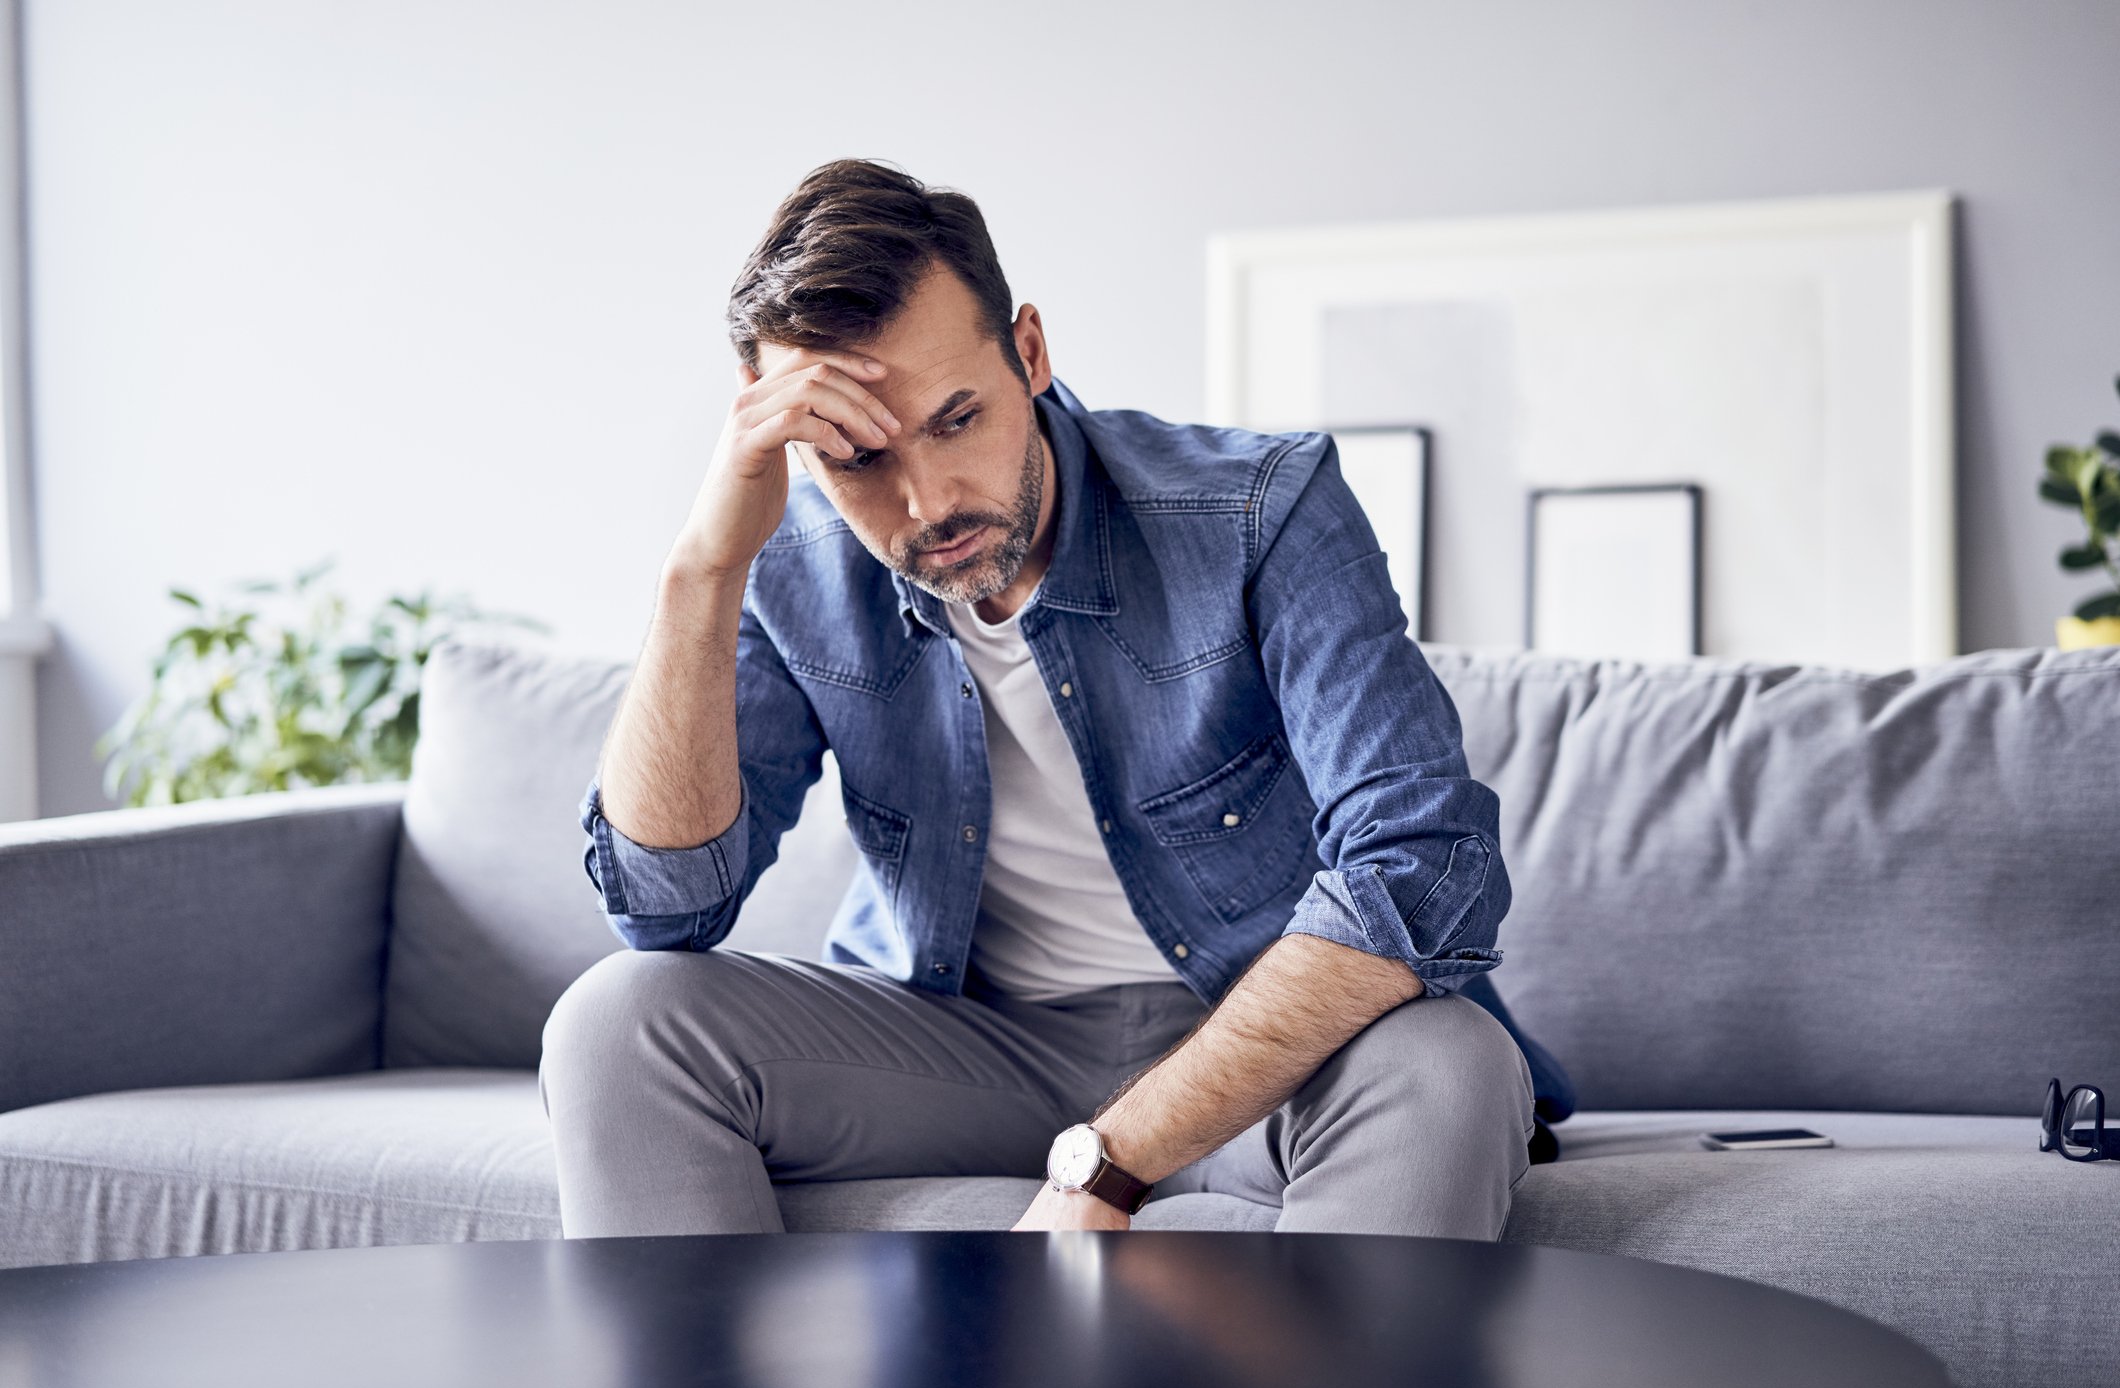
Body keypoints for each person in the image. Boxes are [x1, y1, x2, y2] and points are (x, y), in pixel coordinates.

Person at [539, 157, 1573, 1241]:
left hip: (1262, 1052)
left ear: (1027, 351)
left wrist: (1108, 1162)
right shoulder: (783, 567)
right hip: (963, 1050)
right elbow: (665, 909)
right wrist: (702, 568)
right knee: (617, 1020)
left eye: (955, 420)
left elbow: (1419, 865)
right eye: (858, 459)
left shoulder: (1256, 508)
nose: (927, 504)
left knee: (1449, 1060)